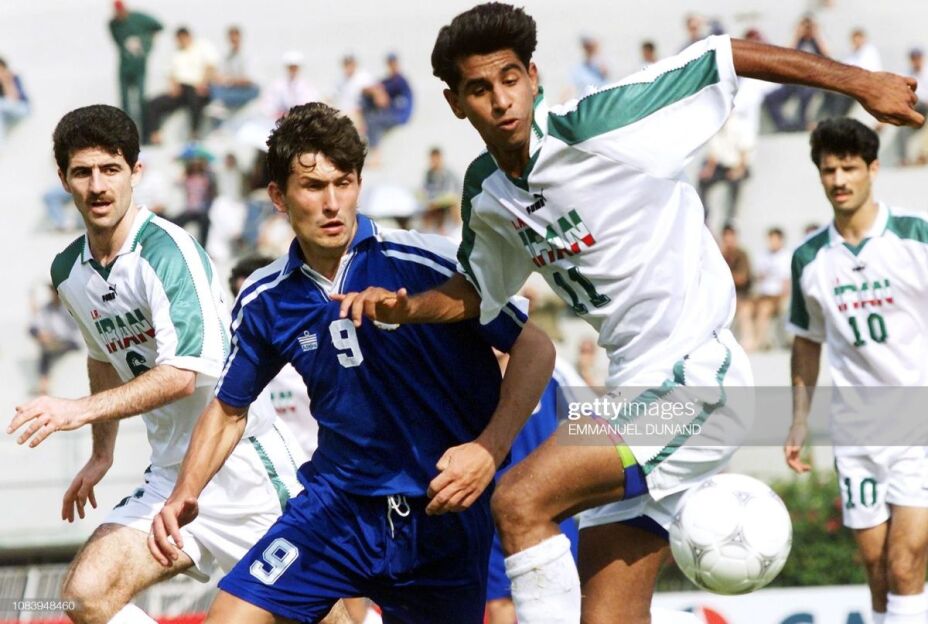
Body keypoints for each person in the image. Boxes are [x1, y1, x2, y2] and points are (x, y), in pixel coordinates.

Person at [335, 4, 924, 622]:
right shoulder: (488, 193)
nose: (501, 99)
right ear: (456, 103)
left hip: (696, 383)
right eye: (480, 89)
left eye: (510, 78)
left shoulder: (599, 124)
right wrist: (408, 308)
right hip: (629, 398)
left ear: (533, 76)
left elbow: (722, 54)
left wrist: (862, 83)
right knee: (608, 615)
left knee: (518, 500)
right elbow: (479, 291)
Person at [149, 102, 555, 624]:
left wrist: (488, 450)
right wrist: (185, 493)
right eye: (313, 186)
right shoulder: (265, 298)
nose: (332, 203)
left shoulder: (427, 262)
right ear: (278, 196)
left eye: (344, 183)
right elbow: (229, 409)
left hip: (440, 514)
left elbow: (535, 347)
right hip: (336, 510)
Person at [6, 104, 321, 624]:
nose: (97, 186)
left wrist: (77, 410)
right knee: (84, 595)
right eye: (82, 172)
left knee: (330, 617)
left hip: (245, 469)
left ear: (136, 172)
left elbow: (182, 375)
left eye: (110, 169)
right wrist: (101, 452)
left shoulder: (168, 252)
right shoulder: (68, 271)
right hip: (169, 477)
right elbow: (102, 357)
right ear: (63, 179)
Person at [784, 118, 928, 624]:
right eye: (829, 170)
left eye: (849, 168)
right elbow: (807, 342)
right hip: (856, 432)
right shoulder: (809, 258)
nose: (839, 180)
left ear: (873, 169)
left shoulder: (916, 236)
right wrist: (798, 420)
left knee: (905, 563)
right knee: (877, 570)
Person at [486, 355, 583, 624]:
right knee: (499, 603)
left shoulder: (552, 365)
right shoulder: (467, 368)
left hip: (550, 511)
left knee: (562, 600)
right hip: (490, 515)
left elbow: (594, 414)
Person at [144, 27, 219, 144]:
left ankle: (194, 132)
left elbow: (211, 67)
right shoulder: (176, 54)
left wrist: (203, 83)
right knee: (153, 103)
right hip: (181, 91)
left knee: (194, 96)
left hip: (199, 89)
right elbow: (171, 74)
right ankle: (154, 135)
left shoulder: (202, 47)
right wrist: (174, 86)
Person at [763, 14, 830, 132]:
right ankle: (783, 125)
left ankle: (802, 124)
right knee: (770, 99)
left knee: (805, 94)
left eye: (809, 27)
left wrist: (816, 34)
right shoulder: (798, 41)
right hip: (793, 82)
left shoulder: (816, 42)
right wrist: (797, 35)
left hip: (812, 82)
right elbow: (787, 55)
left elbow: (827, 56)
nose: (807, 30)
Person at [108, 0, 163, 128]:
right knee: (125, 101)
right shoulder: (113, 25)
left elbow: (159, 26)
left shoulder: (139, 19)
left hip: (139, 67)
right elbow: (117, 41)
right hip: (125, 68)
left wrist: (148, 42)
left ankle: (145, 130)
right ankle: (126, 130)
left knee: (141, 100)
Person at [28, 285, 82, 395]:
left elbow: (76, 329)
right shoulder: (46, 308)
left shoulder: (69, 307)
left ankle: (43, 385)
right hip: (54, 343)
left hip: (72, 342)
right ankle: (43, 385)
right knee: (46, 350)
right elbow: (33, 327)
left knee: (48, 350)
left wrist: (53, 337)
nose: (53, 293)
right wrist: (41, 335)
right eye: (52, 290)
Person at [819, 28, 883, 120]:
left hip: (866, 83)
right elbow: (846, 66)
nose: (856, 42)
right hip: (854, 82)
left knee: (840, 95)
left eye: (858, 39)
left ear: (863, 39)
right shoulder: (854, 53)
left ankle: (837, 117)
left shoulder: (870, 51)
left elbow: (865, 70)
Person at [361, 53, 413, 150]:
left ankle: (374, 151)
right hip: (390, 113)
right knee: (367, 108)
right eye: (390, 63)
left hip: (399, 115)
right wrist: (374, 92)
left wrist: (377, 92)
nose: (392, 65)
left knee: (372, 121)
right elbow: (369, 90)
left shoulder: (400, 80)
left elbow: (383, 99)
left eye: (393, 63)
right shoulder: (388, 80)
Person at [751, 226, 791, 350]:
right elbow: (758, 277)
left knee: (764, 309)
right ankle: (756, 340)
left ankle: (759, 341)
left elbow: (786, 283)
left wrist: (781, 298)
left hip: (778, 296)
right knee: (747, 308)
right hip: (763, 295)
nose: (772, 242)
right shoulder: (763, 256)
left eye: (775, 239)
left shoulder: (786, 257)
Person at [208, 25, 260, 114]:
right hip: (231, 88)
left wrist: (230, 80)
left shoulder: (248, 55)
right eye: (231, 39)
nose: (233, 42)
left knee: (253, 91)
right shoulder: (226, 56)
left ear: (240, 38)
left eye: (235, 39)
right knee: (213, 87)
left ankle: (223, 102)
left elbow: (248, 80)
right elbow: (219, 75)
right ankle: (221, 103)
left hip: (246, 89)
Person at [719, 224, 754, 351]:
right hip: (723, 297)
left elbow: (742, 278)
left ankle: (748, 341)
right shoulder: (719, 254)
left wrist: (725, 276)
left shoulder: (742, 255)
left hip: (742, 296)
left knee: (745, 310)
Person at [892, 48, 928, 166]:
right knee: (901, 122)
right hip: (913, 106)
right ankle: (904, 158)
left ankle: (923, 154)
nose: (916, 61)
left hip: (925, 106)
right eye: (914, 58)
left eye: (918, 58)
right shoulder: (906, 74)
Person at [262, 50, 320, 121]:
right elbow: (268, 106)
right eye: (291, 67)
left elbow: (311, 104)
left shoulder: (307, 86)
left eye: (295, 67)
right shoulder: (277, 85)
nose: (293, 70)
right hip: (279, 121)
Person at [0, 56, 30, 144]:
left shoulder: (13, 78)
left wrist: (6, 81)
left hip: (22, 108)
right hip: (7, 110)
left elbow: (14, 100)